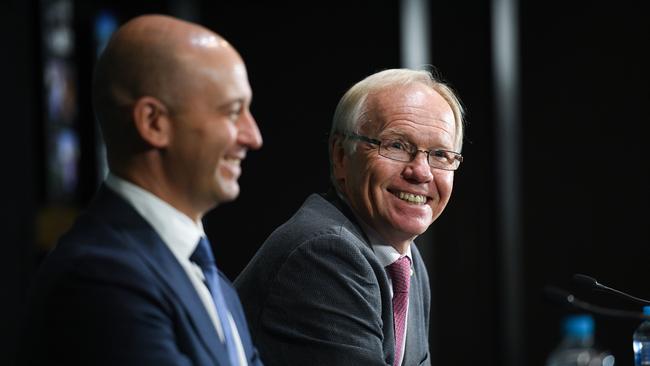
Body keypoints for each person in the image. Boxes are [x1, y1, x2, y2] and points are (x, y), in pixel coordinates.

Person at [19, 14, 263, 366]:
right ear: (153, 123)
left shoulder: (214, 284)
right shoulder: (100, 278)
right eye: (233, 111)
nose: (252, 137)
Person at [235, 68, 464, 366]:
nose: (421, 172)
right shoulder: (325, 253)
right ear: (342, 157)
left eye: (440, 155)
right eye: (396, 145)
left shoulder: (405, 260)